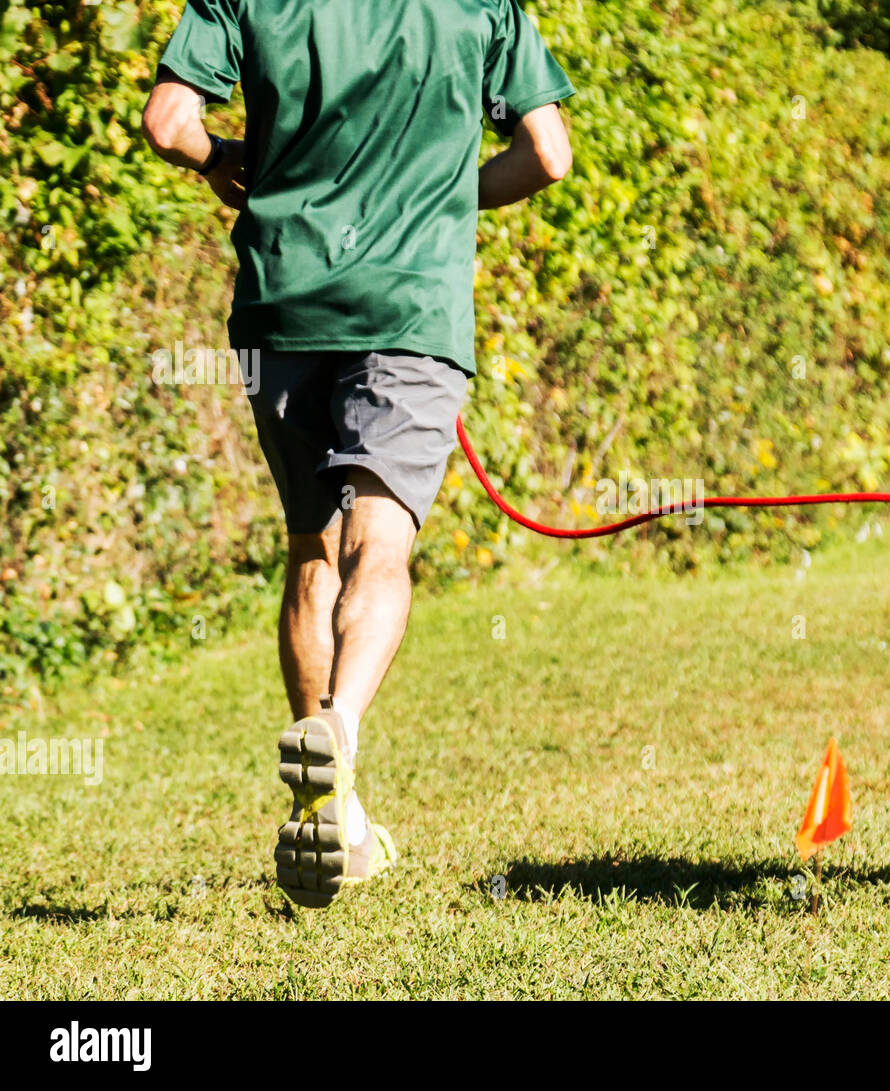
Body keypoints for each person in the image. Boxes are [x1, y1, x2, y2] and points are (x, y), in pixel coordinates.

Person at [142, 1, 575, 908]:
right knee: (380, 546)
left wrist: (225, 159)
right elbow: (548, 153)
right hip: (409, 307)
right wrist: (449, 197)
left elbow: (168, 123)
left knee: (312, 551)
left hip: (283, 304)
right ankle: (337, 728)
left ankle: (329, 796)